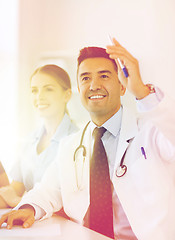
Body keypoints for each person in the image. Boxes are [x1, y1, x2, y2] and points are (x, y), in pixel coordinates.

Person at [0, 38, 175, 240]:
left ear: (122, 86)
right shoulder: (71, 145)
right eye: (85, 78)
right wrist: (29, 207)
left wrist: (143, 92)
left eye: (104, 76)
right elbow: (48, 190)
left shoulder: (152, 131)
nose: (94, 85)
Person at [0, 64, 78, 209]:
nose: (39, 97)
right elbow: (14, 191)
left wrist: (18, 202)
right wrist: (12, 199)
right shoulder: (29, 140)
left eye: (48, 89)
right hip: (32, 226)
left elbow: (70, 205)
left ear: (67, 95)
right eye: (34, 90)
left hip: (62, 228)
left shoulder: (77, 140)